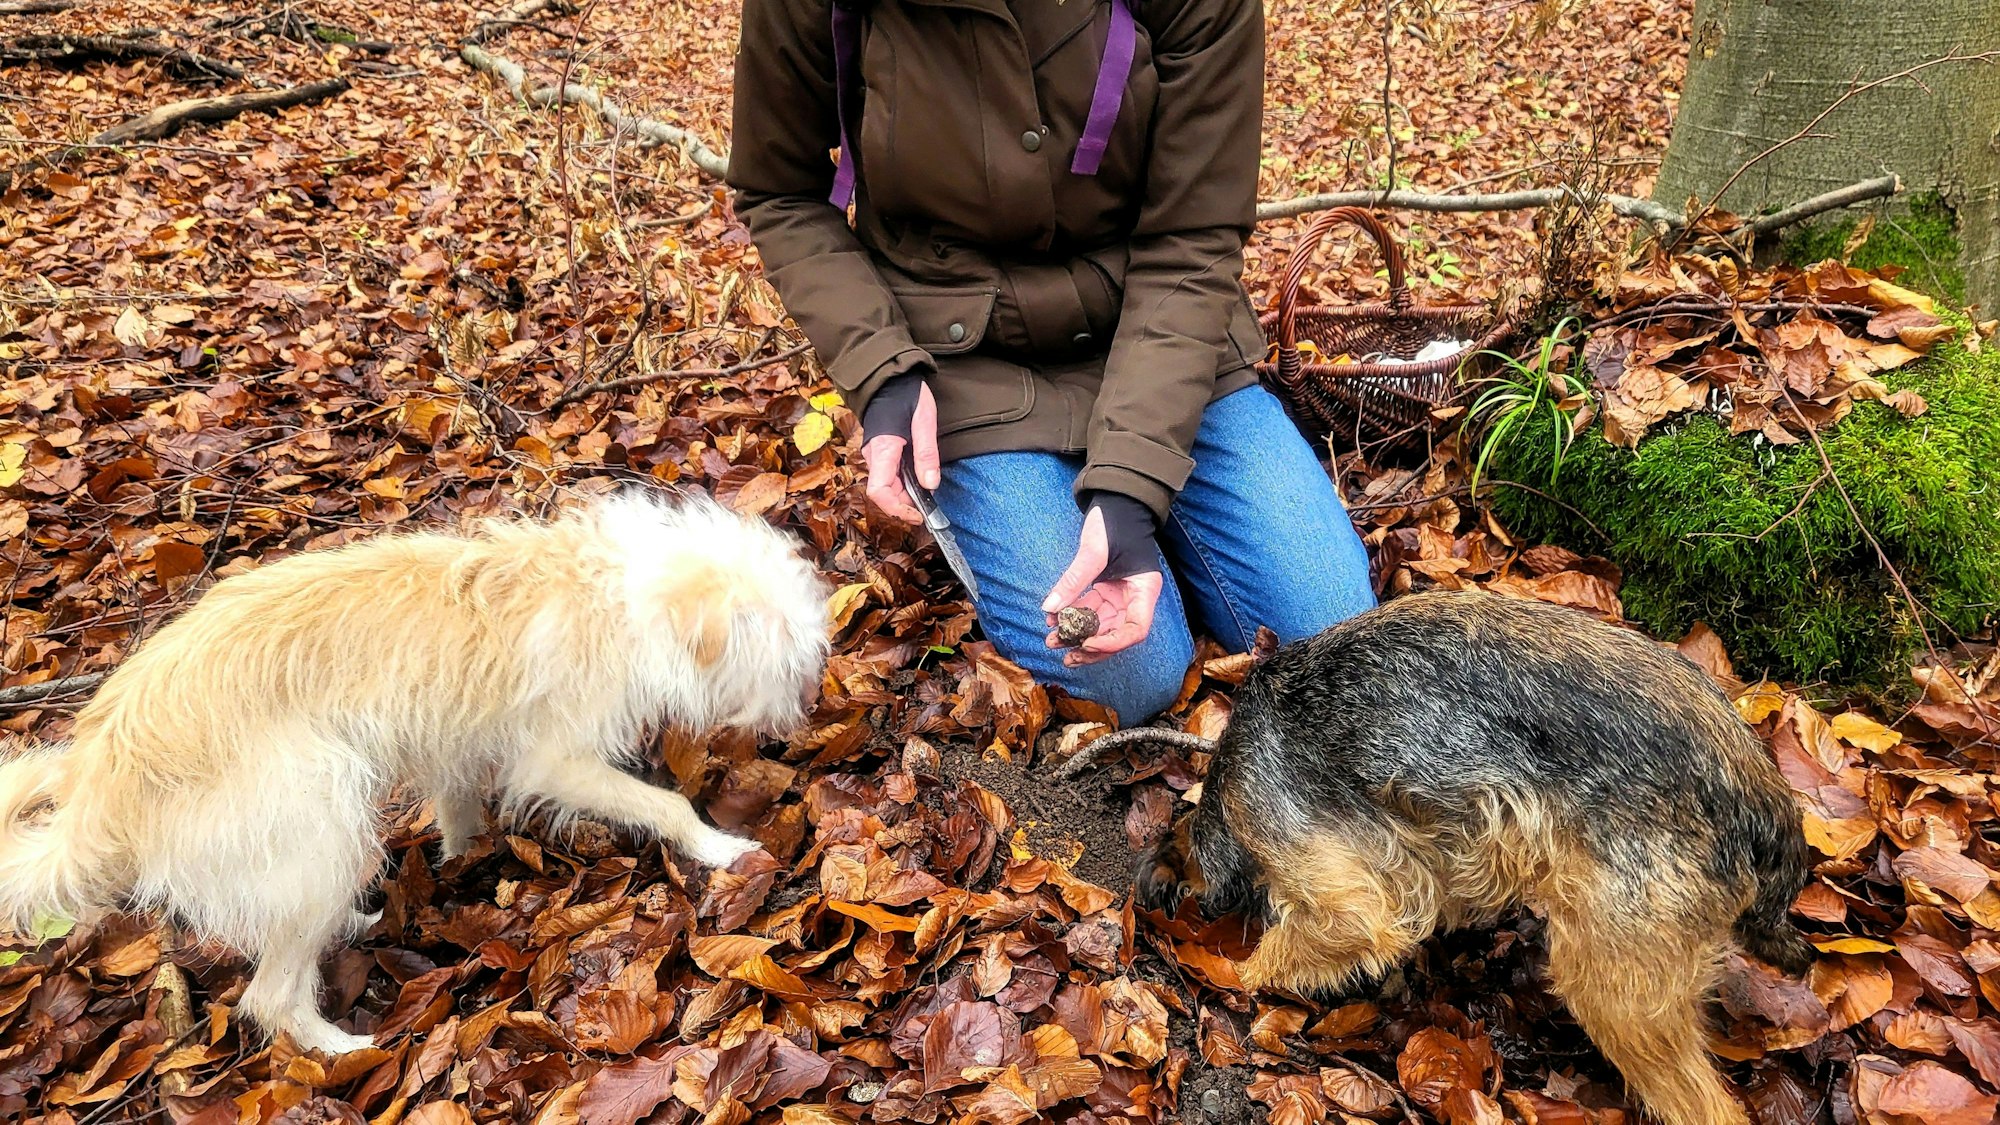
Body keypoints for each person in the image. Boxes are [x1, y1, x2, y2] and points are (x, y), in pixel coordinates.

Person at [729, 0, 1376, 723]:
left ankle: (1145, 524)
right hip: (966, 358)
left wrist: (1133, 483)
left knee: (1335, 635)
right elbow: (779, 186)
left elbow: (1193, 238)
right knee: (1126, 677)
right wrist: (881, 365)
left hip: (1169, 324)